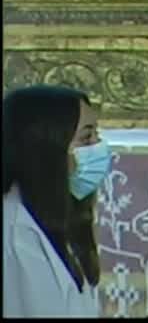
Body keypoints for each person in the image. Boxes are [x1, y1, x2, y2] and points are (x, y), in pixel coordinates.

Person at [3, 84, 111, 317]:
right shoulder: (16, 232)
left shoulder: (53, 218)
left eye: (97, 135)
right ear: (46, 148)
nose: (99, 147)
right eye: (86, 137)